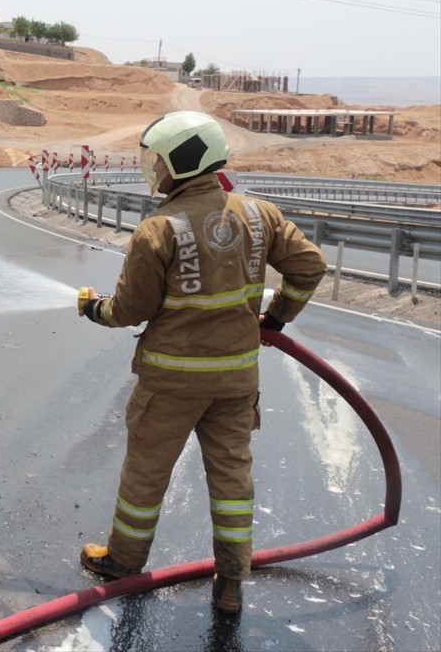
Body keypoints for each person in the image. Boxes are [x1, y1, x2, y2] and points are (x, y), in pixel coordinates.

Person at [76, 110, 326, 614]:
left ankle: (123, 562)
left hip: (170, 381)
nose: (152, 170)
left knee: (146, 475)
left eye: (156, 160)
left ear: (179, 161)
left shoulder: (157, 229)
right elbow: (309, 266)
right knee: (232, 477)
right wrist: (275, 319)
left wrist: (91, 308)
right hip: (236, 379)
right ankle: (232, 580)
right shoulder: (260, 214)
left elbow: (130, 310)